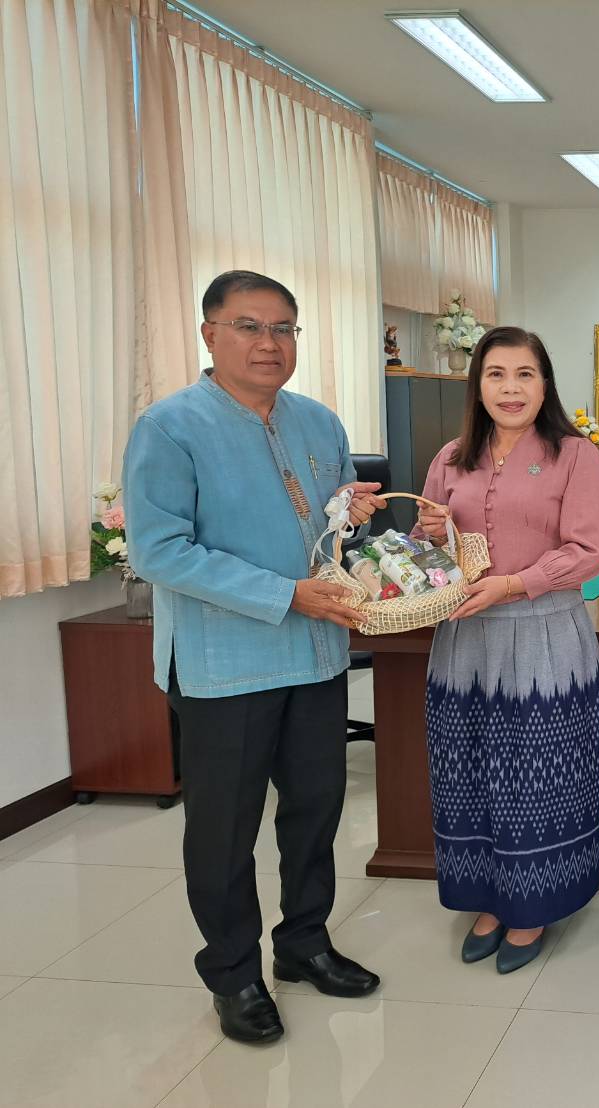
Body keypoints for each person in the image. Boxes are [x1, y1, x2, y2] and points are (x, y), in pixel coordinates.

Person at [123, 270, 387, 1044]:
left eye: (283, 329)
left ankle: (304, 943)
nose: (268, 343)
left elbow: (335, 536)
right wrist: (286, 594)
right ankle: (234, 974)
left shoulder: (318, 423)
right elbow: (161, 551)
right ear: (210, 335)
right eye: (249, 326)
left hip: (315, 657)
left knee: (314, 814)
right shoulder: (170, 427)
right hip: (223, 665)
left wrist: (363, 526)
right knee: (225, 829)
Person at [414, 326, 599, 975]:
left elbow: (592, 552)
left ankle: (533, 906)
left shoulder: (573, 454)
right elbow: (429, 546)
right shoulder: (451, 456)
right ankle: (486, 896)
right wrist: (425, 534)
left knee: (534, 770)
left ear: (544, 384)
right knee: (468, 768)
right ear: (478, 385)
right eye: (496, 374)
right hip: (463, 638)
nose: (510, 387)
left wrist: (514, 584)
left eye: (524, 374)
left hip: (542, 634)